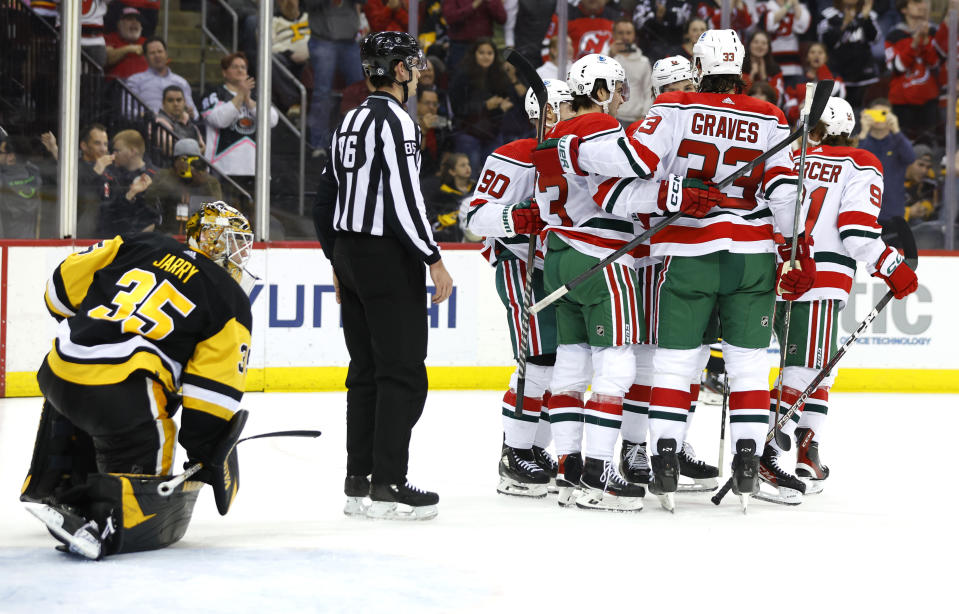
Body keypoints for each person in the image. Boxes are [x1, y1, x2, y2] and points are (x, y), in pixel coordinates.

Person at [534, 30, 809, 510]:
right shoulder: (769, 114)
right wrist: (794, 248)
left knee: (675, 362)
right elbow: (786, 193)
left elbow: (635, 163)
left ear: (698, 69)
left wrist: (571, 152)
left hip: (687, 252)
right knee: (746, 366)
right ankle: (747, 456)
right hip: (751, 253)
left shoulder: (676, 106)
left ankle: (662, 454)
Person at [21, 201, 254, 560]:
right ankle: (112, 518)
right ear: (210, 240)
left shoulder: (138, 243)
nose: (240, 255)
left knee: (77, 388)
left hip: (57, 370)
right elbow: (211, 399)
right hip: (123, 394)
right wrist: (206, 451)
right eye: (234, 243)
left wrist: (99, 324)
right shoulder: (229, 298)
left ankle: (56, 486)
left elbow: (58, 294)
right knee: (151, 439)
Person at [312, 32, 453, 520]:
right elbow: (404, 198)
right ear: (397, 70)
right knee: (404, 374)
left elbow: (323, 200)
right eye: (412, 65)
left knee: (366, 372)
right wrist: (433, 258)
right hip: (387, 257)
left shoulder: (348, 120)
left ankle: (359, 480)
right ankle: (389, 483)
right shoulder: (398, 123)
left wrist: (336, 259)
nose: (417, 73)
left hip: (351, 253)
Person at [763, 97, 918, 500]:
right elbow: (856, 233)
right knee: (806, 368)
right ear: (847, 130)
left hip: (774, 272)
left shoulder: (786, 158)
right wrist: (892, 266)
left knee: (818, 366)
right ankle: (764, 455)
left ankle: (805, 451)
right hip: (822, 278)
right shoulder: (860, 161)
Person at [530, 54, 649, 512]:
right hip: (601, 256)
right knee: (616, 367)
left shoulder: (556, 131)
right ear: (598, 91)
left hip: (560, 253)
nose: (623, 97)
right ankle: (600, 474)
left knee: (572, 365)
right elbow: (631, 173)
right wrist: (674, 190)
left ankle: (569, 470)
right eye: (617, 88)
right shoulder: (598, 129)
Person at [465, 80, 574, 498]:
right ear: (543, 113)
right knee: (539, 360)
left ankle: (534, 447)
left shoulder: (577, 156)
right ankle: (514, 454)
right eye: (561, 107)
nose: (566, 114)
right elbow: (476, 215)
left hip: (563, 270)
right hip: (522, 265)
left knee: (562, 364)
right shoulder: (513, 156)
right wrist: (515, 218)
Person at [201, 52, 279, 186]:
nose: (240, 70)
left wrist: (248, 101)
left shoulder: (258, 95)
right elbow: (219, 120)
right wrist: (240, 95)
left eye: (243, 67)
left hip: (255, 168)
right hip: (223, 167)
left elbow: (272, 120)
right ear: (224, 72)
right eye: (235, 67)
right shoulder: (214, 94)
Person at [305, 0, 367, 159]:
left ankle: (362, 140)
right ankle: (319, 143)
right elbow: (306, 4)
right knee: (322, 92)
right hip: (322, 39)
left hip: (349, 41)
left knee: (361, 91)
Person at [448, 39, 520, 174]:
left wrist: (502, 107)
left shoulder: (500, 75)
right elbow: (458, 108)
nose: (486, 56)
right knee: (470, 176)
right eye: (481, 53)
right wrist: (485, 105)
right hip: (468, 132)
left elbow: (508, 100)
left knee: (494, 175)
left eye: (489, 53)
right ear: (474, 54)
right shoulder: (462, 75)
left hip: (492, 132)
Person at [884, 0, 939, 142]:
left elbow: (935, 64)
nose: (922, 6)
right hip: (902, 101)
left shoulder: (933, 32)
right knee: (903, 145)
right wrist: (915, 43)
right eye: (916, 2)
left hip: (929, 99)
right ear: (904, 9)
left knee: (929, 145)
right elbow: (896, 67)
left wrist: (926, 40)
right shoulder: (894, 35)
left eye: (923, 3)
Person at [145, 139, 223, 235]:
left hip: (199, 233)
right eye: (184, 159)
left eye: (192, 160)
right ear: (175, 161)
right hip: (169, 231)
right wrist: (174, 177)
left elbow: (217, 205)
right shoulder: (164, 176)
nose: (188, 164)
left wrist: (203, 182)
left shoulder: (209, 181)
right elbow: (150, 198)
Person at [858, 99, 915, 223]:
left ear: (891, 117)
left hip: (893, 213)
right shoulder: (862, 141)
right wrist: (863, 131)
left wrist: (896, 130)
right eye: (875, 114)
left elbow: (910, 157)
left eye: (884, 114)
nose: (879, 118)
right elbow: (852, 164)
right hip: (863, 211)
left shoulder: (898, 141)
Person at [818, 0, 881, 110]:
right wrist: (844, 24)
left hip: (864, 74)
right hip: (839, 73)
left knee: (864, 112)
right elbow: (825, 42)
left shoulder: (868, 14)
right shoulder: (828, 15)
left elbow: (875, 38)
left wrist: (864, 18)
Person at [98, 129, 159, 237]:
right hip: (116, 241)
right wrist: (129, 195)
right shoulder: (111, 176)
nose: (113, 155)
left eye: (117, 151)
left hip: (148, 243)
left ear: (132, 151)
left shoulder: (156, 177)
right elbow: (107, 216)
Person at [125, 37, 198, 119]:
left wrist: (192, 114)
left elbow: (195, 113)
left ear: (166, 54)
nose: (157, 56)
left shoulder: (181, 82)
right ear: (145, 57)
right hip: (147, 126)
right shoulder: (135, 81)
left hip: (177, 129)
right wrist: (150, 117)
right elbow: (127, 111)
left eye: (160, 51)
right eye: (152, 53)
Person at [755, 0, 812, 85]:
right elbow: (768, 24)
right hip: (773, 63)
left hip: (793, 65)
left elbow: (803, 26)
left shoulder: (800, 8)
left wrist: (795, 4)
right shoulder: (767, 6)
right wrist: (788, 6)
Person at [610, 18, 653, 126]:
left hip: (636, 119)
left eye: (628, 33)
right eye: (621, 33)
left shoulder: (644, 61)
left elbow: (649, 90)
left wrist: (644, 115)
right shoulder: (606, 58)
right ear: (614, 35)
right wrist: (610, 55)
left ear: (634, 36)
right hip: (612, 117)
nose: (625, 37)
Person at [442, 0, 506, 71]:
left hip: (485, 46)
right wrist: (473, 5)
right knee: (460, 77)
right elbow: (450, 18)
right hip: (461, 47)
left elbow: (502, 18)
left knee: (486, 78)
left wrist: (491, 3)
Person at [0, 134, 44, 238]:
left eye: (0, 152)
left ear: (11, 157)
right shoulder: (35, 176)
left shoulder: (2, 181)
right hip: (31, 245)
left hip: (7, 248)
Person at [426, 153, 474, 241]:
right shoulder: (441, 194)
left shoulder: (477, 189)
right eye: (463, 165)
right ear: (452, 171)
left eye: (468, 164)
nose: (467, 168)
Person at [153, 85, 205, 156]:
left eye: (179, 100)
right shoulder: (159, 122)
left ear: (184, 102)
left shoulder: (189, 121)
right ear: (163, 103)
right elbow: (170, 150)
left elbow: (203, 147)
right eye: (170, 100)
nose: (175, 104)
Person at [742, 30, 785, 107]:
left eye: (764, 43)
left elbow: (778, 99)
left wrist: (764, 77)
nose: (759, 46)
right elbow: (738, 95)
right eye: (756, 42)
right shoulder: (739, 67)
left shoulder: (775, 70)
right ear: (749, 45)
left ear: (768, 47)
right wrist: (751, 76)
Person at [104, 7, 147, 80]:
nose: (135, 22)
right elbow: (107, 59)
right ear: (119, 24)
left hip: (144, 85)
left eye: (138, 20)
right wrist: (129, 49)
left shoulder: (147, 42)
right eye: (129, 19)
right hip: (117, 85)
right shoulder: (110, 38)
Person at [903, 144, 938, 223]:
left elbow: (930, 201)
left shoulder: (927, 180)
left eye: (928, 167)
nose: (924, 171)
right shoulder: (891, 179)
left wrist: (925, 208)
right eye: (920, 165)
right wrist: (908, 212)